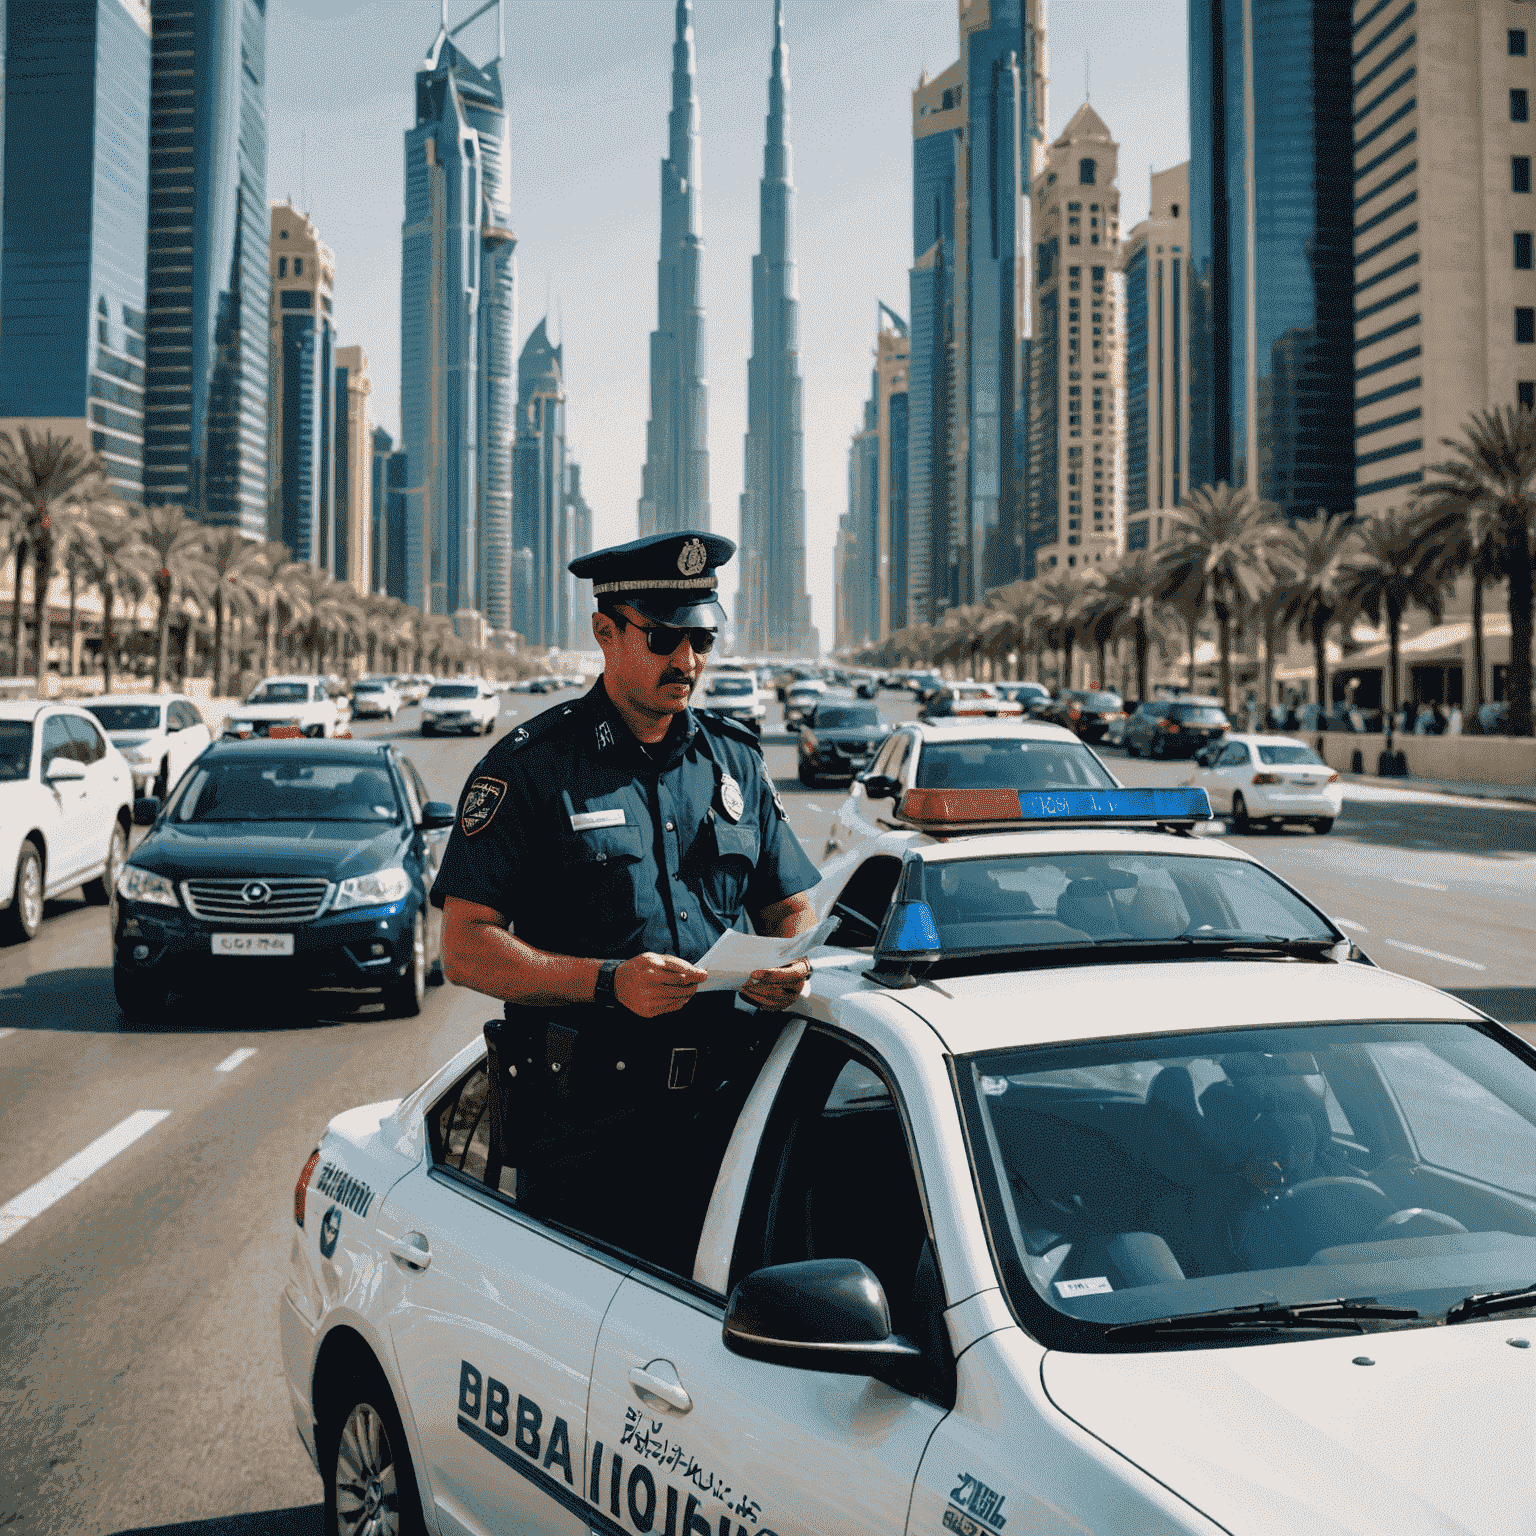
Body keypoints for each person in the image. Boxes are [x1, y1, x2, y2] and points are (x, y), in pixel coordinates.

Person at [431, 530, 820, 1267]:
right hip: (587, 1136)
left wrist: (789, 965)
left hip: (730, 1117)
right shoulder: (532, 770)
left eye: (702, 637)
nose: (688, 661)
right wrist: (609, 984)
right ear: (604, 632)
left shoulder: (734, 760)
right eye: (665, 636)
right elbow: (465, 946)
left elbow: (788, 907)